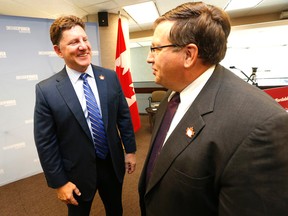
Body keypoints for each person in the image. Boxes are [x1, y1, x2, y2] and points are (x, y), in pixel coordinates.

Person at [138, 2, 288, 216]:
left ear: (189, 54)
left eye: (155, 48)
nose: (149, 57)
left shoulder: (261, 126)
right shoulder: (172, 95)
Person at [34, 15, 136, 216]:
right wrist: (59, 183)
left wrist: (130, 150)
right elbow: (46, 143)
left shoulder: (109, 76)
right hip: (76, 172)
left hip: (112, 164)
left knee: (116, 209)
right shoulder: (46, 90)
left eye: (84, 39)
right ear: (58, 51)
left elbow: (123, 116)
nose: (83, 46)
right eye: (73, 42)